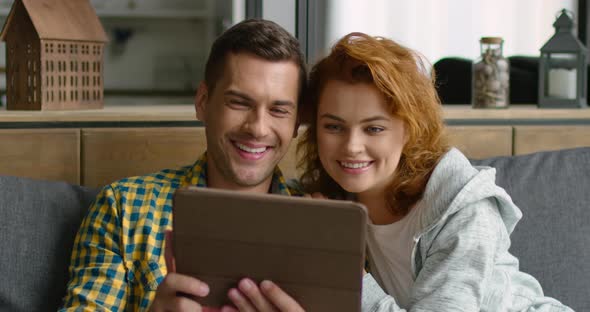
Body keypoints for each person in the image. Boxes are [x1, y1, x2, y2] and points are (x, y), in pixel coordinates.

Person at [292, 32, 574, 311]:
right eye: (333, 126)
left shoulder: (463, 207)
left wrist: (345, 272)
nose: (352, 146)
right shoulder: (327, 203)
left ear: (409, 131)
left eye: (374, 129)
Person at [60, 19, 308, 311]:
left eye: (279, 110)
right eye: (239, 103)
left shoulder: (319, 225)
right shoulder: (123, 207)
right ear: (203, 102)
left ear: (296, 123)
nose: (257, 128)